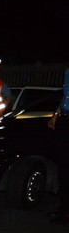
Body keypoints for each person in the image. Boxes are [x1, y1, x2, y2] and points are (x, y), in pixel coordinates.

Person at [47, 67, 69, 224]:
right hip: (66, 118)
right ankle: (64, 209)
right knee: (63, 165)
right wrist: (56, 114)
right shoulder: (67, 71)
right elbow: (66, 95)